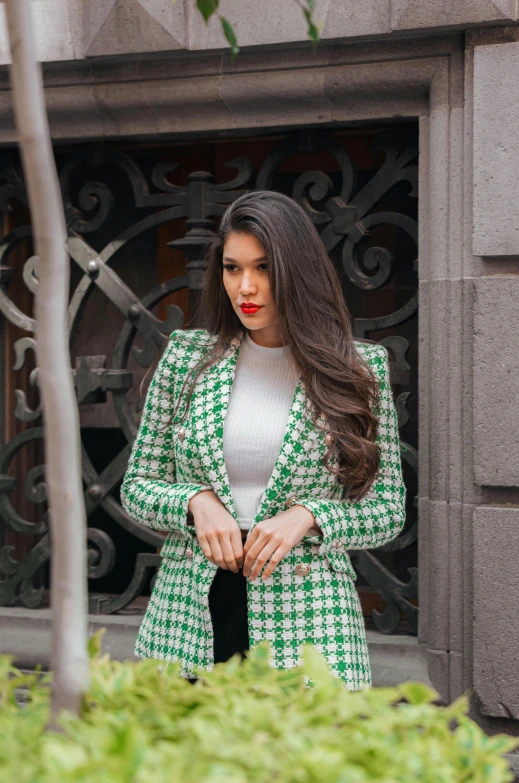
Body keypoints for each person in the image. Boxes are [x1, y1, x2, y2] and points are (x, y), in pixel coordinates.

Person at [120, 190, 406, 690]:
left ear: (296, 270)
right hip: (189, 618)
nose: (246, 286)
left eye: (264, 267)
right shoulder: (187, 360)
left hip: (310, 622)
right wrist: (194, 501)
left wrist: (310, 517)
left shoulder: (358, 370)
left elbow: (386, 511)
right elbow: (138, 486)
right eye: (233, 268)